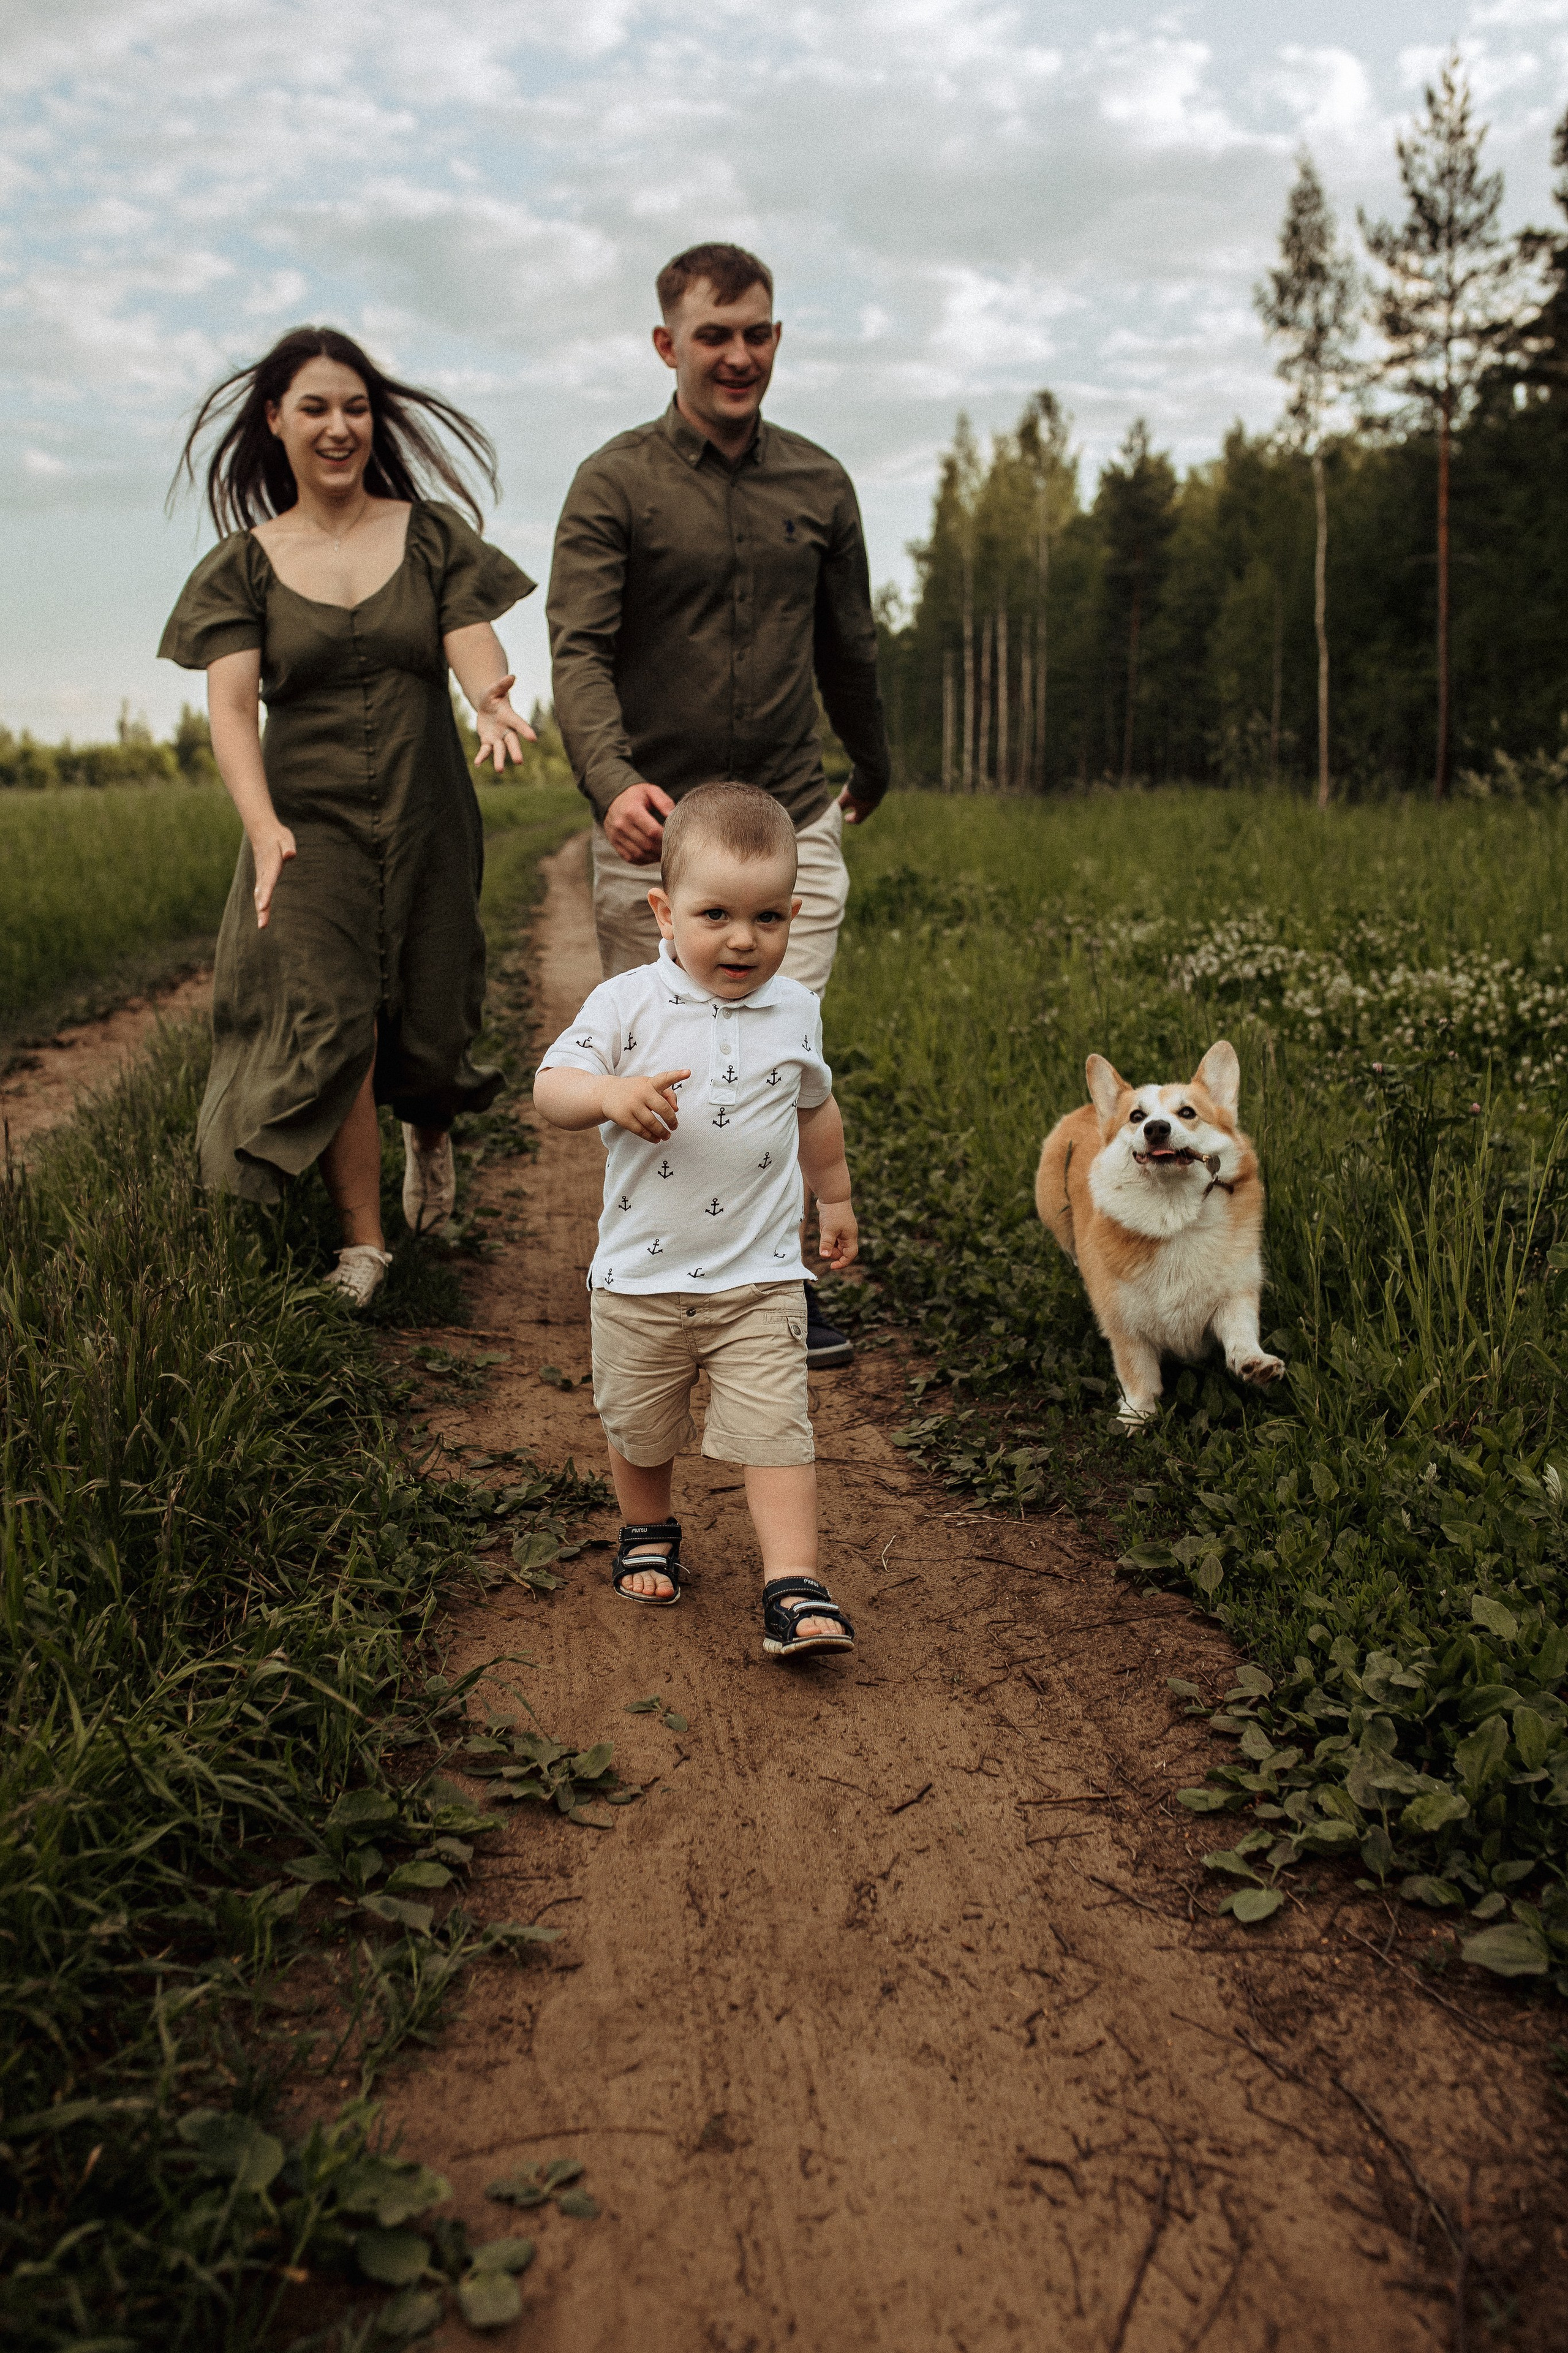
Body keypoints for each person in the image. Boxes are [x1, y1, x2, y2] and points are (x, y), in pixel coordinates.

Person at [547, 239, 891, 1369]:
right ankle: (647, 1281)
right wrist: (609, 782)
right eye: (713, 335)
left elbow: (851, 642)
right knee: (662, 1062)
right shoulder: (616, 482)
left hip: (792, 816)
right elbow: (580, 649)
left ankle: (778, 1281)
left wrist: (873, 761)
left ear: (777, 339)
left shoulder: (819, 482)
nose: (738, 355)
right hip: (654, 824)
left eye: (757, 333)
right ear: (668, 345)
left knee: (772, 1055)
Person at [160, 325, 535, 1308]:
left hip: (426, 806)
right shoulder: (242, 567)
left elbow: (468, 634)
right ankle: (365, 1246)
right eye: (317, 407)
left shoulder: (429, 534)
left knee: (429, 1002)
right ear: (275, 419)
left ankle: (431, 1126)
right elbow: (233, 710)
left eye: (357, 407)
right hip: (304, 825)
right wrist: (261, 822)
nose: (340, 427)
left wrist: (490, 695)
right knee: (335, 1018)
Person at [532, 782, 858, 1658]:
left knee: (778, 1426)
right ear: (663, 911)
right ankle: (647, 1526)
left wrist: (835, 1197)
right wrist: (609, 1091)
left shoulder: (795, 1008)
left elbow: (813, 1107)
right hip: (641, 1276)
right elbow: (551, 1087)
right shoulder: (627, 1004)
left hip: (758, 1278)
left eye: (767, 918)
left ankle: (794, 1581)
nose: (743, 939)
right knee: (640, 1424)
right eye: (715, 913)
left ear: (794, 913)